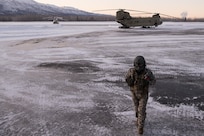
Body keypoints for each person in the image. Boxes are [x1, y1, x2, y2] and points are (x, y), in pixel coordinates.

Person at [125, 56, 156, 135]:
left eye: (140, 66)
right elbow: (126, 79)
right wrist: (130, 80)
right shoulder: (131, 71)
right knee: (136, 110)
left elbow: (153, 81)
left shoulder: (147, 72)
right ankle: (138, 120)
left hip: (143, 95)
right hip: (134, 93)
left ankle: (140, 128)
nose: (138, 68)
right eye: (137, 66)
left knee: (141, 111)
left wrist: (148, 79)